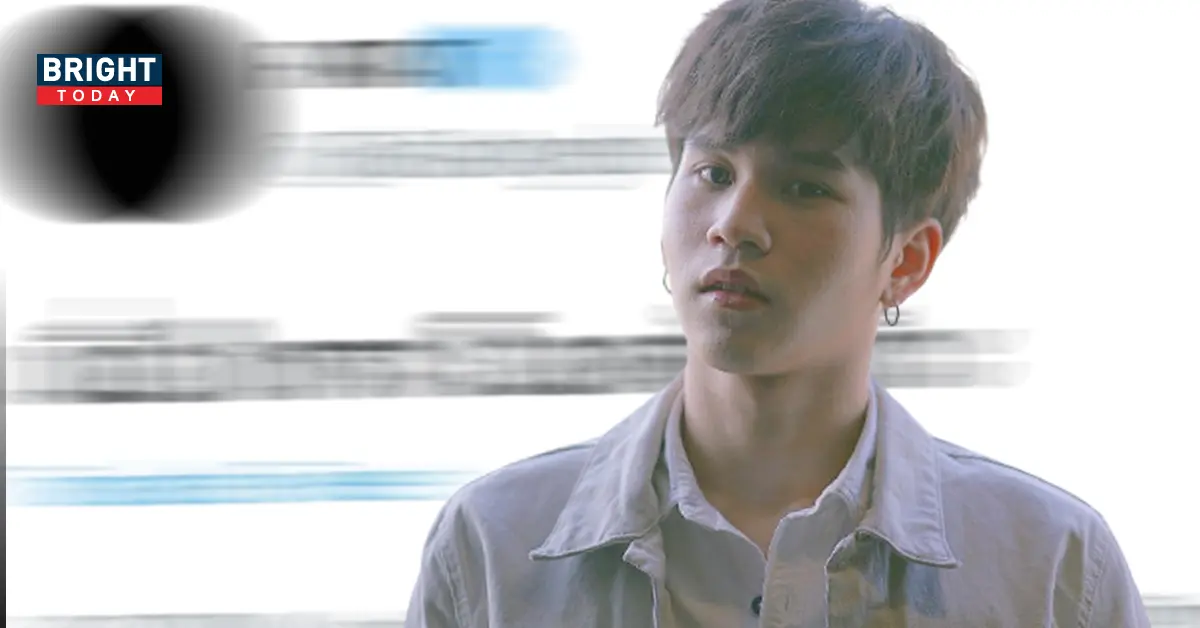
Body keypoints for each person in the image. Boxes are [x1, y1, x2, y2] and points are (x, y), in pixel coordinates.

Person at [405, 0, 1150, 625]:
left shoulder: (1050, 567)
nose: (734, 223)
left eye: (804, 189)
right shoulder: (492, 547)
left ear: (906, 261)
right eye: (712, 172)